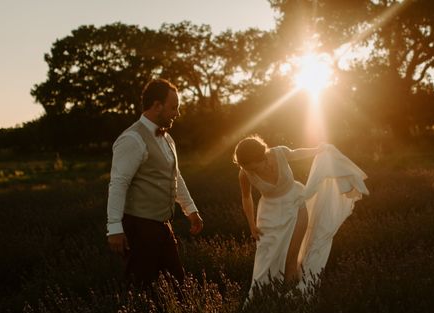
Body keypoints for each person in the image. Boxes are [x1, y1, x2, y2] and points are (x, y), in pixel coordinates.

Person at [234, 135, 368, 295]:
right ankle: (265, 296)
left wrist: (319, 149)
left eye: (253, 166)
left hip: (295, 204)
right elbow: (246, 197)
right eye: (246, 168)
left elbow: (297, 153)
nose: (250, 170)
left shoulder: (279, 153)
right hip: (269, 215)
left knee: (292, 255)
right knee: (268, 257)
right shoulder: (244, 174)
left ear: (261, 157)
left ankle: (291, 296)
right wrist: (251, 225)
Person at [106, 79, 203, 284]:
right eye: (173, 107)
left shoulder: (167, 138)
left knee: (176, 284)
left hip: (161, 225)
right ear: (157, 106)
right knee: (141, 286)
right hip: (139, 226)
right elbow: (118, 183)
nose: (177, 113)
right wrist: (114, 228)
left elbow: (175, 176)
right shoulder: (132, 139)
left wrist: (191, 210)